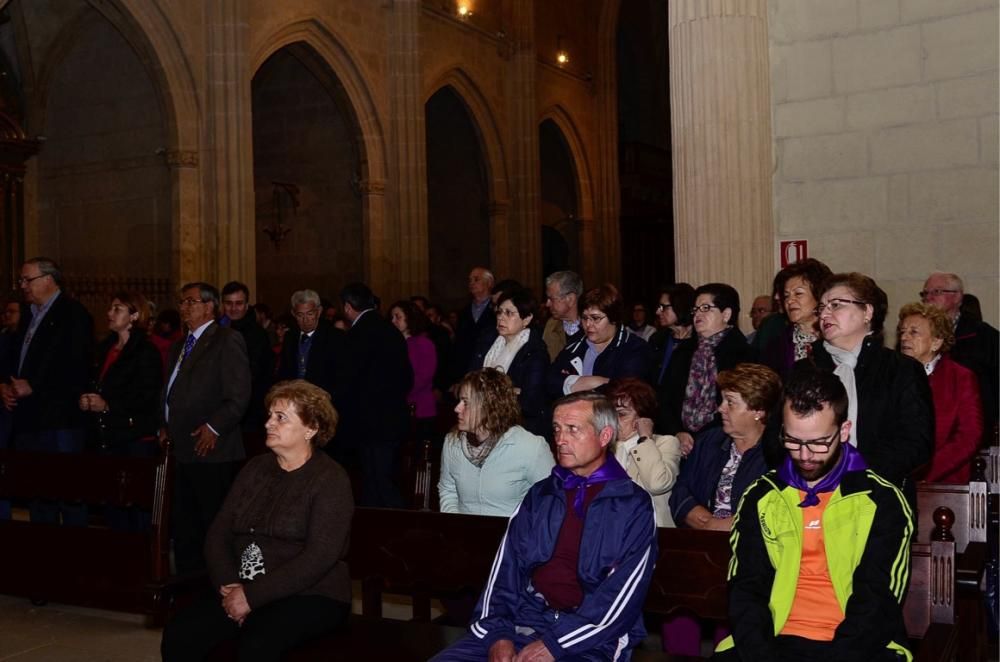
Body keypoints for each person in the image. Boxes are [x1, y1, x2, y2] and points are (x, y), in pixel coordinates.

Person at [430, 392, 657, 661]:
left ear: (605, 436)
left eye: (573, 429)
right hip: (525, 619)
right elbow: (506, 569)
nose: (560, 439)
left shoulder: (633, 505)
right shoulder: (541, 494)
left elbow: (620, 598)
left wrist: (554, 645)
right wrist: (497, 635)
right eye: (557, 429)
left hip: (591, 638)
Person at [715, 364, 914, 662]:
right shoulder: (762, 496)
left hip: (858, 648)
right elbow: (746, 588)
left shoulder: (881, 501)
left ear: (844, 431)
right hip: (774, 643)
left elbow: (877, 602)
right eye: (793, 441)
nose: (805, 455)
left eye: (819, 443)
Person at [161, 380, 353, 662]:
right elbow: (218, 534)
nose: (268, 424)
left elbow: (319, 556)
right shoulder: (255, 468)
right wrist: (229, 587)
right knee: (182, 633)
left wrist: (252, 597)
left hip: (311, 594)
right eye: (269, 416)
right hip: (241, 586)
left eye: (281, 418)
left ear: (310, 429)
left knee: (258, 644)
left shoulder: (330, 479)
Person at [811, 272, 933, 492]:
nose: (825, 314)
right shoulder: (806, 371)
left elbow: (916, 442)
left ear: (867, 312)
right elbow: (777, 438)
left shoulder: (901, 370)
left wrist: (857, 474)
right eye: (821, 308)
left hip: (882, 494)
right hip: (814, 491)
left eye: (836, 304)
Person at [159, 282, 251, 574]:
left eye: (191, 301)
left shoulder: (226, 339)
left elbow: (238, 396)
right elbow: (170, 392)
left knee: (212, 525)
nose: (184, 307)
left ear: (209, 306)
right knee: (185, 524)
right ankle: (188, 584)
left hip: (212, 449)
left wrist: (214, 427)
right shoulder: (178, 346)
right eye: (182, 302)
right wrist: (164, 423)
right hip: (181, 448)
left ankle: (218, 585)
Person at [0, 257, 93, 526]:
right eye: (21, 280)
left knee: (68, 493)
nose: (22, 286)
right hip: (29, 420)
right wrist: (4, 384)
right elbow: (13, 359)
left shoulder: (72, 314)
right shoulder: (29, 315)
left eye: (27, 280)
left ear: (48, 280)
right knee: (38, 495)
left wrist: (35, 386)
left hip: (59, 421)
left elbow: (76, 367)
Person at [669, 363, 781, 531]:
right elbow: (681, 490)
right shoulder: (708, 440)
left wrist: (732, 525)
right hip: (700, 543)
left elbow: (778, 509)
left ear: (759, 411)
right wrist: (705, 521)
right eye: (722, 400)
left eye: (730, 402)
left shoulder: (778, 452)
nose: (721, 408)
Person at [438, 368, 553, 516]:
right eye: (459, 401)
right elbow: (448, 489)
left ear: (489, 406)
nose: (457, 408)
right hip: (463, 535)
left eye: (465, 402)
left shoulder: (531, 447)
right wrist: (456, 525)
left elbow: (548, 502)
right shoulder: (452, 442)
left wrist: (517, 532)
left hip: (512, 536)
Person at [339, 282, 413, 507]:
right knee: (381, 480)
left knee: (375, 482)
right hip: (391, 420)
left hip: (368, 422)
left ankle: (398, 529)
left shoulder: (356, 335)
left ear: (348, 307)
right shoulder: (391, 331)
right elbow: (407, 377)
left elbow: (348, 381)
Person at [658, 283, 752, 453]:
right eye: (695, 309)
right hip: (680, 442)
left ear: (726, 314)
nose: (698, 314)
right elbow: (665, 399)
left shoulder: (744, 355)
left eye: (706, 308)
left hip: (723, 442)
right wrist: (677, 432)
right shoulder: (683, 352)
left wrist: (706, 437)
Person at [898, 302, 982, 483]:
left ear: (936, 341)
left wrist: (924, 472)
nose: (904, 338)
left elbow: (969, 436)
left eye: (913, 332)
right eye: (902, 332)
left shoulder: (960, 378)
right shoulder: (889, 374)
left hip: (942, 482)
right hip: (893, 477)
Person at [79, 291, 162, 456]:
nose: (109, 313)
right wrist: (86, 399)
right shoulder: (104, 348)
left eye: (117, 309)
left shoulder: (145, 351)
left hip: (132, 438)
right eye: (110, 308)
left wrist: (108, 405)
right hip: (104, 435)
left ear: (134, 315)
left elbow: (147, 397)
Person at [922, 271, 998, 444]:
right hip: (928, 422)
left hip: (970, 425)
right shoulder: (915, 335)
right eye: (925, 293)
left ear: (957, 298)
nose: (929, 297)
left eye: (937, 292)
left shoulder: (984, 336)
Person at [547, 283, 652, 398]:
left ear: (614, 318)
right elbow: (549, 382)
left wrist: (572, 384)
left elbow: (623, 392)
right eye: (584, 318)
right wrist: (596, 381)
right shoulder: (575, 345)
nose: (588, 324)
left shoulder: (635, 348)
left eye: (595, 318)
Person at [607, 377, 682, 527]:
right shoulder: (604, 449)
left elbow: (657, 484)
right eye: (610, 414)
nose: (613, 421)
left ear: (643, 417)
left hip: (652, 531)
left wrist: (645, 439)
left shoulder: (665, 443)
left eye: (621, 415)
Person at [480, 288, 550, 436]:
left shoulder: (535, 351)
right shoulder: (490, 342)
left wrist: (496, 392)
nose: (501, 318)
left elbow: (529, 401)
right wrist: (512, 390)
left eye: (509, 313)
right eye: (499, 312)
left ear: (527, 319)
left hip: (522, 428)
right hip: (489, 422)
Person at [759, 258, 832, 378]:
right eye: (786, 295)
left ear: (819, 296)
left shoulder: (835, 339)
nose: (789, 301)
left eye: (798, 293)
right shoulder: (777, 345)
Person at [221, 281, 273, 433]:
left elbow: (254, 373)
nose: (233, 308)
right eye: (229, 303)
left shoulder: (257, 334)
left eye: (238, 303)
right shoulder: (220, 328)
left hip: (248, 408)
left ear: (246, 305)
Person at [275, 289, 346, 401]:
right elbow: (284, 372)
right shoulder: (290, 337)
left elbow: (341, 376)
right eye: (300, 315)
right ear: (293, 313)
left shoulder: (335, 337)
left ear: (319, 311)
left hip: (324, 400)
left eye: (310, 314)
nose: (305, 320)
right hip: (295, 400)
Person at [389, 299, 438, 442]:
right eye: (392, 317)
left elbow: (424, 377)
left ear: (409, 318)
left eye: (398, 317)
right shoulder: (393, 344)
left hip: (420, 408)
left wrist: (398, 391)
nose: (393, 321)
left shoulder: (423, 343)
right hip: (398, 407)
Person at [649, 282, 696, 421]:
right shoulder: (657, 339)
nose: (658, 312)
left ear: (680, 306)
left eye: (664, 307)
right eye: (659, 307)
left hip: (685, 418)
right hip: (657, 415)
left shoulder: (699, 344)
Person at [449, 266, 496, 387]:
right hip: (466, 372)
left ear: (489, 283)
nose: (471, 283)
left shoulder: (497, 310)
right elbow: (459, 346)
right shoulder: (464, 312)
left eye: (476, 279)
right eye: (470, 280)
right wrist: (456, 378)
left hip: (490, 371)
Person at [542, 270, 584, 361]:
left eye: (551, 299)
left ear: (570, 299)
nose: (547, 304)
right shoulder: (551, 326)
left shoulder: (591, 327)